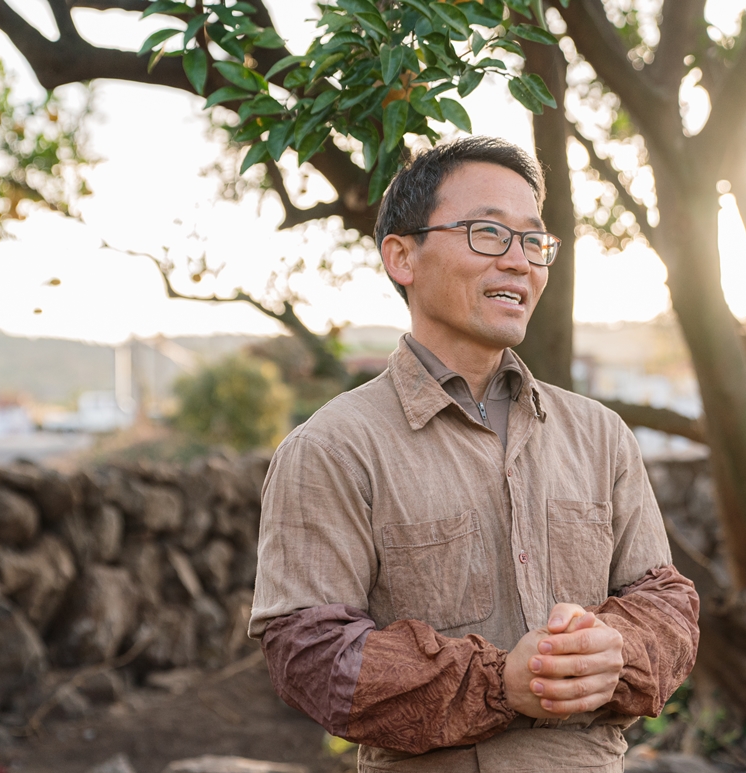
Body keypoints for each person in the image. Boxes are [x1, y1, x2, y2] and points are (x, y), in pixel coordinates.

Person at [248, 136, 699, 773]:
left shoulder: (600, 435)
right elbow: (310, 654)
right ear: (402, 256)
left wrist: (616, 649)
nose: (520, 262)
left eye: (534, 241)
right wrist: (498, 683)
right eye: (488, 233)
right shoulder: (333, 448)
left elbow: (666, 601)